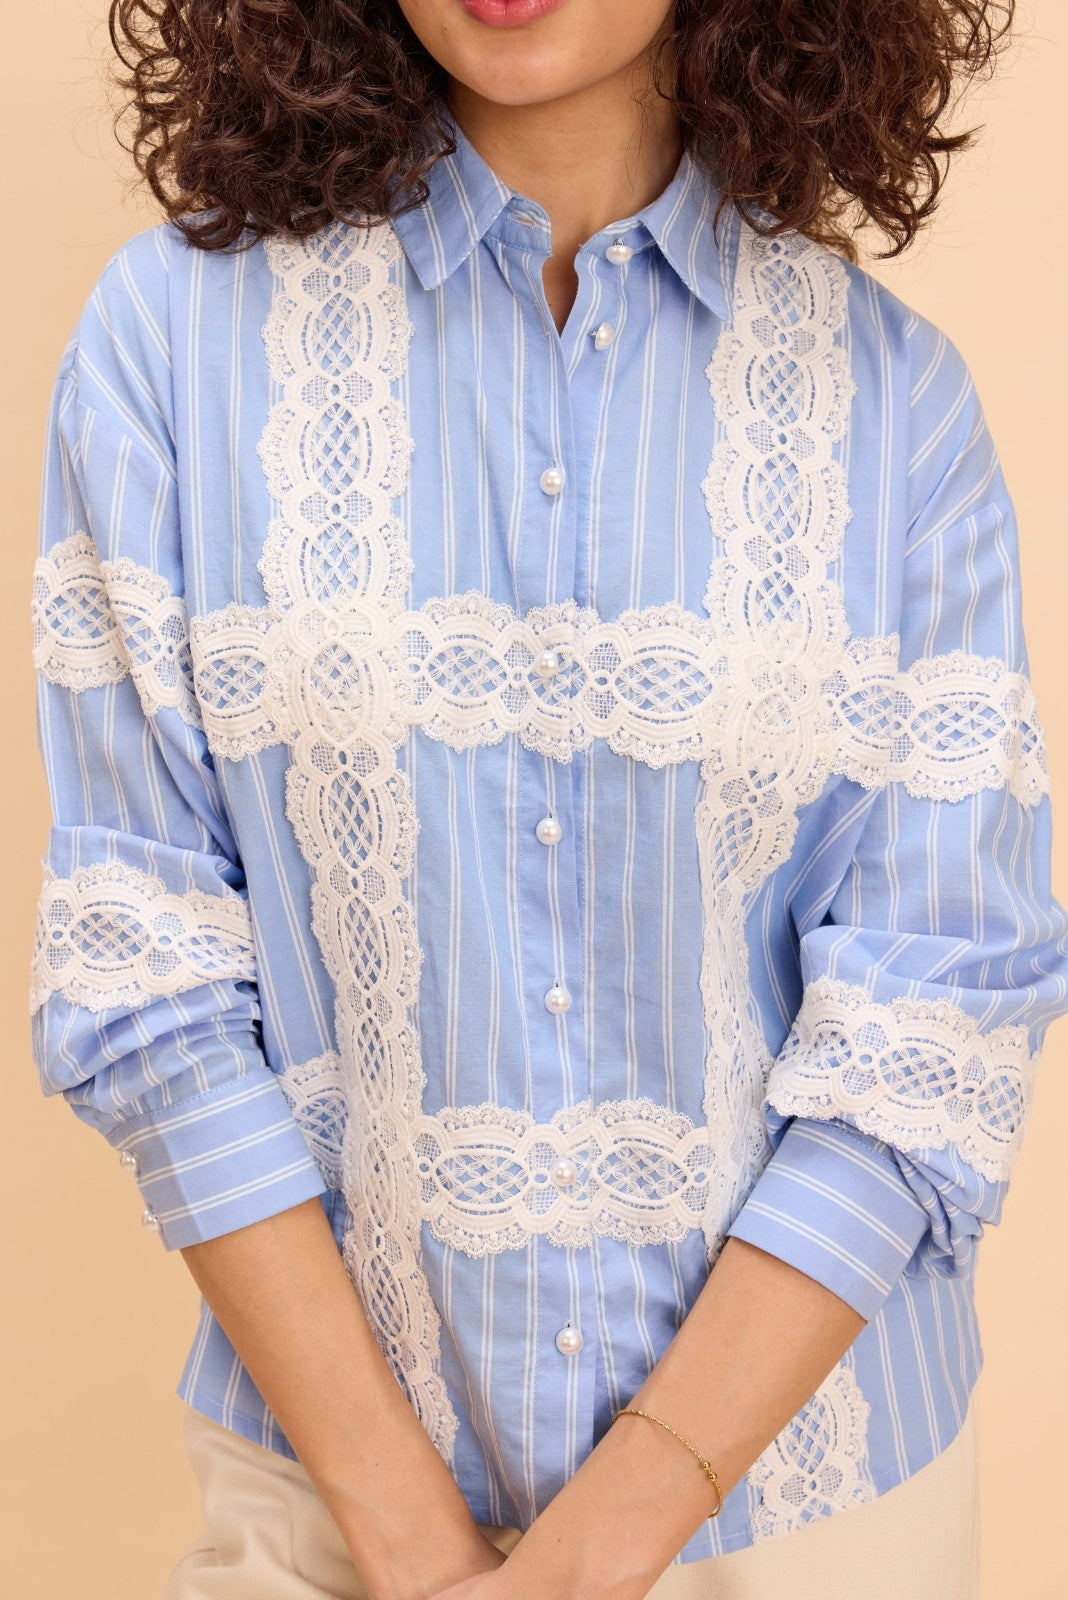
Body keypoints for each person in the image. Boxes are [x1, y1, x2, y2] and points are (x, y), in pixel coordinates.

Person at [29, 1, 1068, 1597]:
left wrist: (588, 1557)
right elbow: (148, 970)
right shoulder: (168, 343)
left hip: (805, 1524)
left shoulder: (897, 409)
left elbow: (933, 1021)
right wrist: (411, 1540)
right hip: (328, 1524)